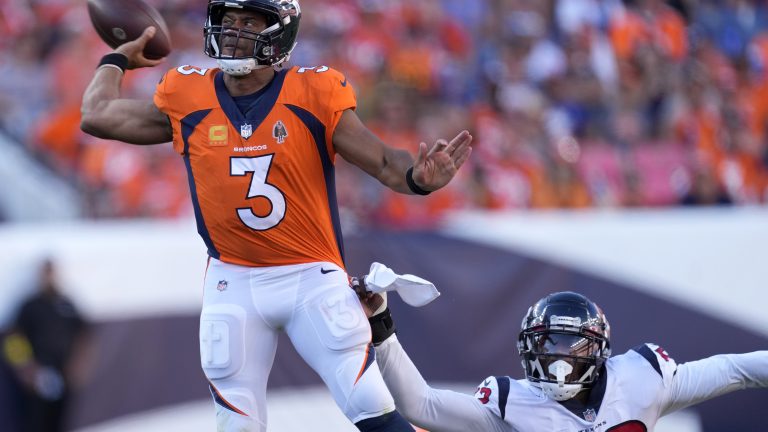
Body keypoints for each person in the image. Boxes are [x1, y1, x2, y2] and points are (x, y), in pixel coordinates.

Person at [79, 1, 472, 431]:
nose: (234, 31)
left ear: (280, 34)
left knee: (372, 410)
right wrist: (116, 59)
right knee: (238, 425)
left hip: (310, 276)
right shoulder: (186, 94)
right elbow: (97, 116)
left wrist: (419, 178)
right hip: (233, 281)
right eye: (228, 22)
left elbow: (382, 161)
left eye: (249, 21)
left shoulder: (314, 91)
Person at [354, 284, 768, 432]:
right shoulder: (511, 406)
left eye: (569, 345)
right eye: (548, 343)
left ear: (597, 350)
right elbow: (420, 405)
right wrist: (382, 325)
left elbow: (733, 369)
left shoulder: (643, 380)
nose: (557, 357)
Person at [2, 258, 88, 432]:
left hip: (64, 375)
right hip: (38, 375)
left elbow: (84, 334)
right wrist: (25, 367)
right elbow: (13, 337)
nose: (48, 277)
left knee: (60, 422)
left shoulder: (67, 304)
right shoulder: (30, 305)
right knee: (36, 422)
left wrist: (79, 364)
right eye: (45, 273)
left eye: (51, 272)